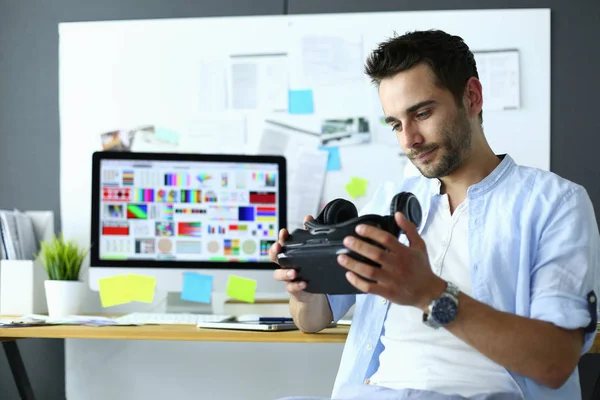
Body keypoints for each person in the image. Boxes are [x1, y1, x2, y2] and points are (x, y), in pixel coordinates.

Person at [269, 29, 600, 400]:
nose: (409, 140)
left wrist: (430, 293)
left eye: (422, 113)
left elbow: (554, 363)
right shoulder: (387, 201)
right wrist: (303, 288)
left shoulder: (555, 205)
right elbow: (312, 320)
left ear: (471, 97)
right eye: (395, 124)